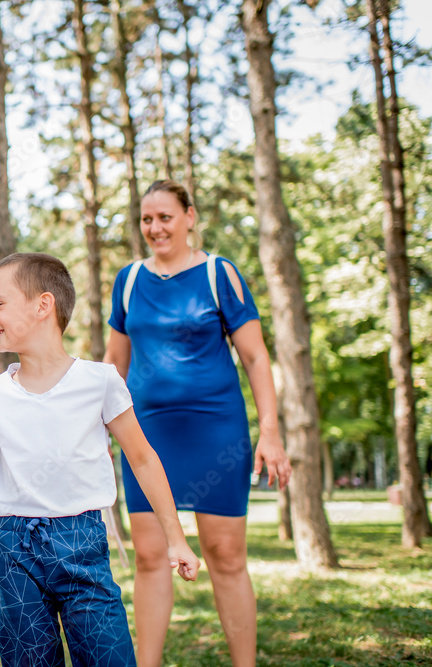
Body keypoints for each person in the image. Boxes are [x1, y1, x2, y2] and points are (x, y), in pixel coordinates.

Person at [0, 252, 199, 667]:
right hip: (12, 552)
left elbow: (143, 460)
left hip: (82, 543)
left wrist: (176, 538)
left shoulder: (100, 382)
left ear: (43, 305)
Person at [104, 179, 292, 667]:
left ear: (190, 216)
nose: (155, 227)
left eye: (165, 216)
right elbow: (113, 368)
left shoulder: (218, 273)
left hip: (217, 432)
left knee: (225, 556)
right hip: (146, 437)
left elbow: (254, 357)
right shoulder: (127, 281)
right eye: (147, 219)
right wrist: (99, 432)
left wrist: (269, 430)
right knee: (149, 557)